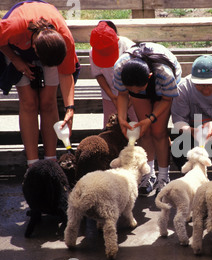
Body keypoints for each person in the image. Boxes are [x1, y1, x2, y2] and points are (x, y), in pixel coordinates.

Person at [0, 1, 79, 167]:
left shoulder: (64, 39)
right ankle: (33, 164)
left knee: (48, 102)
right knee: (29, 102)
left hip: (48, 46)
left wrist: (70, 109)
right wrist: (16, 60)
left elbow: (65, 74)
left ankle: (51, 161)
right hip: (16, 47)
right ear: (34, 48)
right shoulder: (14, 27)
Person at [113, 42, 181, 196]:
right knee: (144, 132)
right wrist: (122, 118)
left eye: (136, 89)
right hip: (141, 85)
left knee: (158, 131)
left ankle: (164, 177)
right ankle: (148, 175)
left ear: (149, 77)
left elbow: (166, 99)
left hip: (163, 92)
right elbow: (123, 94)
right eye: (130, 88)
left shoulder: (165, 74)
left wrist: (150, 118)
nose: (132, 91)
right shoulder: (119, 69)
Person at [89, 20, 137, 127]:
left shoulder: (128, 47)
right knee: (110, 126)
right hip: (109, 94)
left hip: (133, 93)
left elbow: (137, 78)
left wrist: (129, 100)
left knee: (135, 125)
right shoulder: (93, 51)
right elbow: (98, 74)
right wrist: (112, 97)